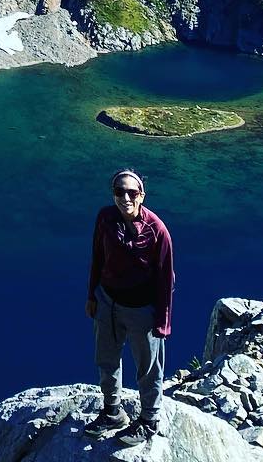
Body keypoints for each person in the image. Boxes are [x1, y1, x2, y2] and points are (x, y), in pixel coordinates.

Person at [85, 167, 174, 444]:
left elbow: (166, 278)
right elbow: (97, 257)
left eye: (132, 193)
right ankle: (112, 411)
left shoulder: (157, 230)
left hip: (141, 309)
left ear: (142, 196)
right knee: (106, 359)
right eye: (119, 191)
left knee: (148, 368)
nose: (125, 197)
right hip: (107, 301)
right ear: (113, 194)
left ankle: (149, 420)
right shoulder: (105, 218)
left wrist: (163, 322)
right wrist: (92, 296)